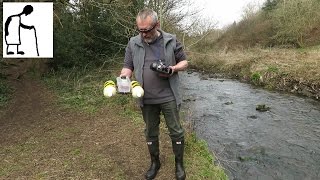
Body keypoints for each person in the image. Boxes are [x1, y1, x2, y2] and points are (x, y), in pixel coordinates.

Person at [120, 8, 188, 180]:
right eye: (140, 30)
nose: (143, 34)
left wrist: (173, 69)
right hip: (145, 97)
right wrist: (123, 79)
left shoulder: (171, 40)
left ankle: (179, 165)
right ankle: (155, 162)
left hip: (169, 96)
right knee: (150, 132)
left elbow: (184, 62)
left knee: (176, 131)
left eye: (147, 30)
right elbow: (128, 66)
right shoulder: (133, 43)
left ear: (157, 25)